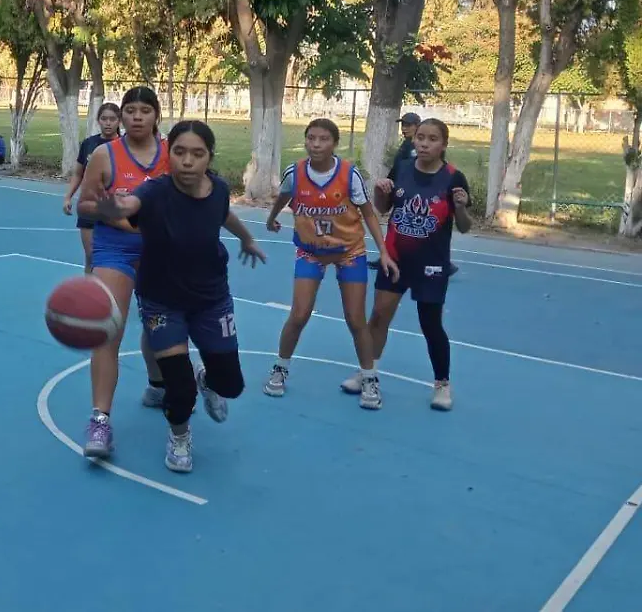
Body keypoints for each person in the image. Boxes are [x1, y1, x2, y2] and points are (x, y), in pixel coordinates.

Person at [89, 120, 265, 472]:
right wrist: (112, 207)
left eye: (197, 154)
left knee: (230, 384)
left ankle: (208, 379)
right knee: (178, 386)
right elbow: (129, 204)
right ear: (170, 154)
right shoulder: (155, 192)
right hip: (162, 299)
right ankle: (180, 436)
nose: (187, 161)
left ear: (209, 158)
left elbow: (224, 215)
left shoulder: (216, 188)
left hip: (211, 298)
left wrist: (247, 238)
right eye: (180, 152)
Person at [263, 118, 399, 410]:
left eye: (323, 139)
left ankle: (369, 378)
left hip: (349, 251)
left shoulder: (349, 175)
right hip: (310, 251)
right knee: (299, 314)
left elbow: (369, 214)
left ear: (334, 144)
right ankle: (280, 367)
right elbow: (285, 195)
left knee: (355, 319)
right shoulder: (296, 172)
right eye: (311, 138)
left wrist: (384, 251)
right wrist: (272, 216)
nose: (316, 144)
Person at [341, 118, 471, 410]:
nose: (424, 143)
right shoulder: (401, 169)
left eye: (432, 139)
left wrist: (460, 207)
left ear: (443, 145)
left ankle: (442, 385)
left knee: (431, 324)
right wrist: (380, 191)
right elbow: (383, 208)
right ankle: (367, 373)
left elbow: (463, 226)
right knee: (379, 316)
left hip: (432, 265)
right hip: (395, 259)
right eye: (421, 137)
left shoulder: (453, 178)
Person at [75, 86, 169, 459]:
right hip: (115, 248)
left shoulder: (172, 154)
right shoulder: (104, 154)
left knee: (158, 327)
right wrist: (113, 213)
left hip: (161, 251)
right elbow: (85, 202)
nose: (136, 117)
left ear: (156, 115)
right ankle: (100, 420)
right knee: (107, 330)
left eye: (145, 110)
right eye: (130, 110)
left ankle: (160, 384)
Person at [65, 103, 121, 273]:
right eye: (104, 119)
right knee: (90, 257)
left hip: (115, 208)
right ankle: (89, 296)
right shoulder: (89, 144)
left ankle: (112, 293)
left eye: (112, 119)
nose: (108, 123)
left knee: (114, 259)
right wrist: (68, 196)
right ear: (98, 121)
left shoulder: (124, 146)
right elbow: (78, 174)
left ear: (119, 121)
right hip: (89, 206)